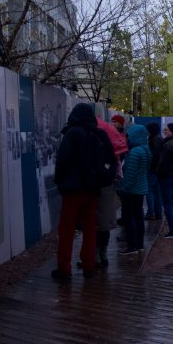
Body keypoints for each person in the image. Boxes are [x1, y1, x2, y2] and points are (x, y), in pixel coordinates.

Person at [52, 103, 114, 280]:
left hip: (72, 188)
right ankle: (89, 265)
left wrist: (60, 181)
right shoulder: (99, 134)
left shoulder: (72, 133)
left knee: (67, 229)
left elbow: (63, 161)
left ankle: (64, 269)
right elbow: (111, 159)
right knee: (90, 228)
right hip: (93, 188)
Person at [93, 117, 128, 267]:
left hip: (96, 188)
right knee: (105, 224)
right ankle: (103, 254)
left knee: (95, 224)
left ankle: (95, 255)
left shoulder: (94, 147)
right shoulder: (113, 150)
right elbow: (117, 169)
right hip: (108, 187)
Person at [118, 124, 151, 255]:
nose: (127, 138)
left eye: (129, 135)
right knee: (138, 217)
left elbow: (130, 174)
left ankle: (132, 246)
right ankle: (140, 244)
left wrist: (124, 189)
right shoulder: (146, 150)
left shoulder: (134, 152)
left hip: (132, 190)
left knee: (130, 217)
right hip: (141, 188)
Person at [145, 122, 163, 220]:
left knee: (149, 191)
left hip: (152, 170)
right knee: (157, 192)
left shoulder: (153, 140)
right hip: (159, 170)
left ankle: (151, 212)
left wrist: (150, 166)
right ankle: (158, 213)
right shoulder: (160, 139)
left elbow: (154, 156)